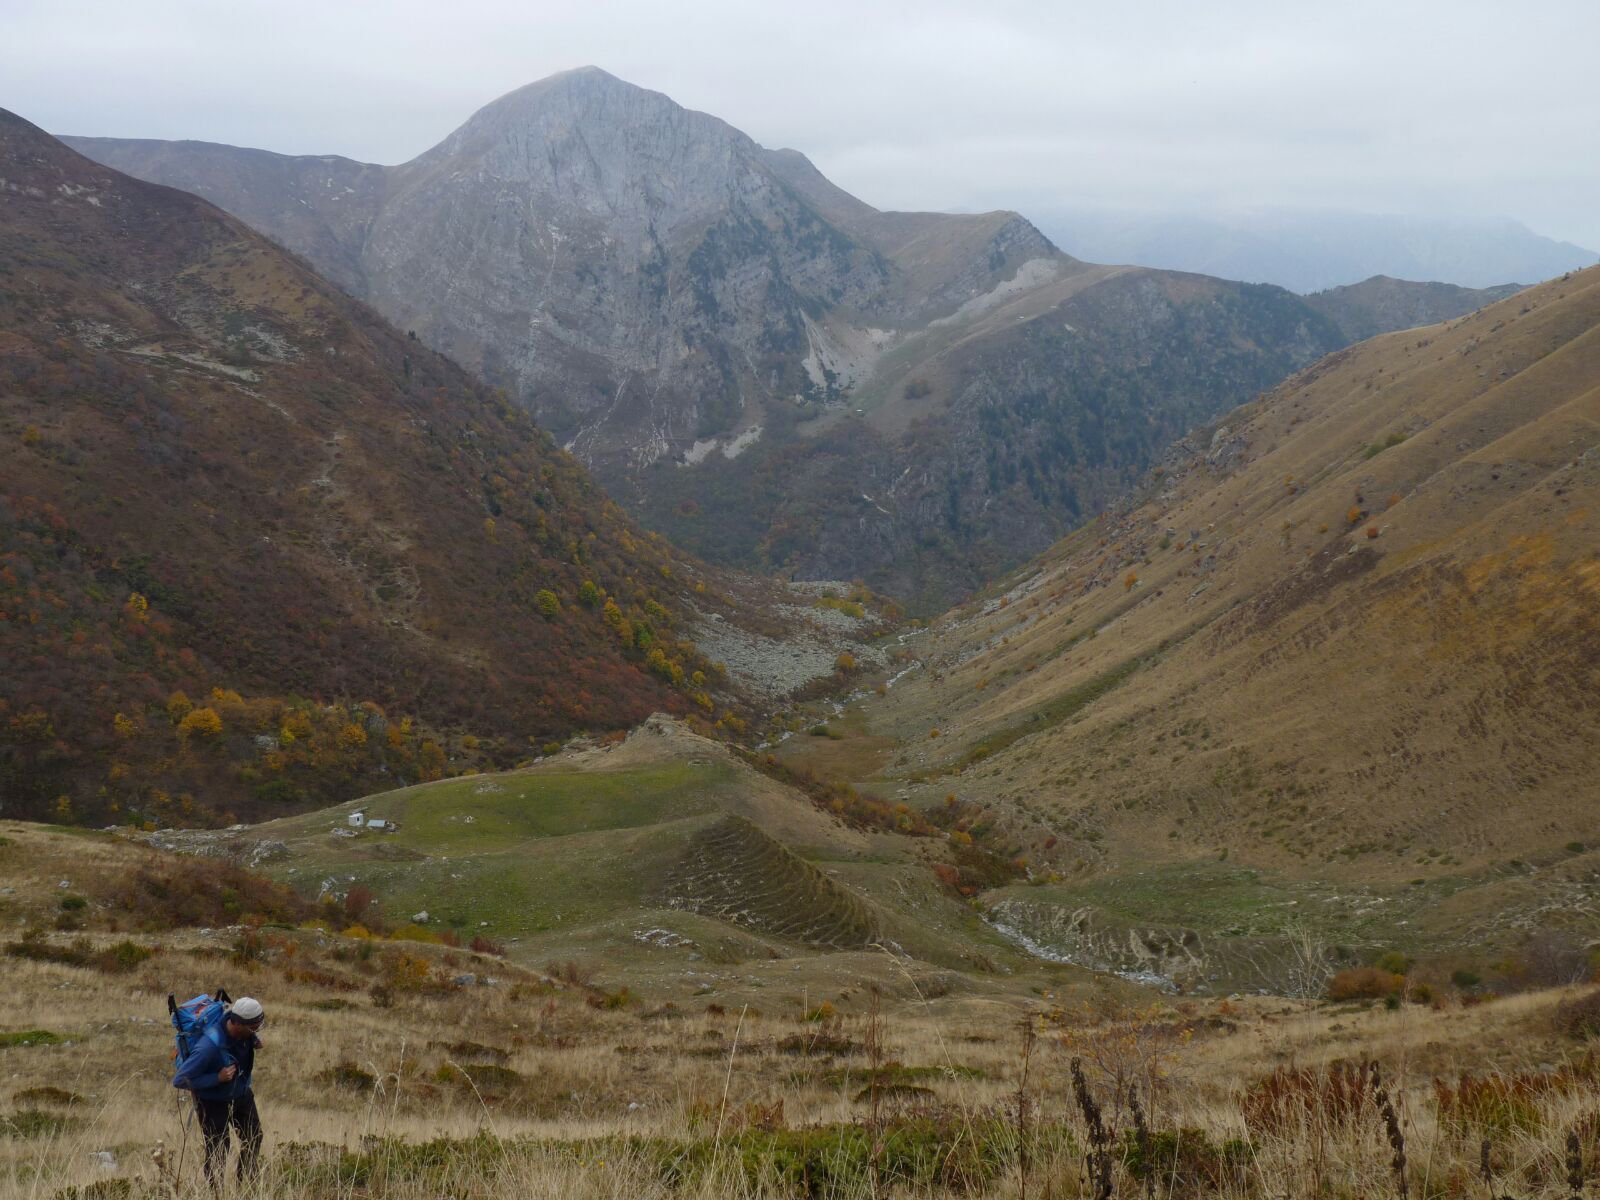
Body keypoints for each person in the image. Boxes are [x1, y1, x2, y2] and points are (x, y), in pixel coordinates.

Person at [173, 996, 265, 1189]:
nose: (256, 1031)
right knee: (218, 1151)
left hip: (240, 1094)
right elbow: (180, 1079)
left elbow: (247, 1033)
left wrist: (253, 1038)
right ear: (238, 1023)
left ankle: (245, 1187)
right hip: (212, 1103)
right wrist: (217, 1078)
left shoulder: (243, 1032)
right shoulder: (208, 1047)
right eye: (253, 1028)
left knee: (254, 1136)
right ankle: (215, 1193)